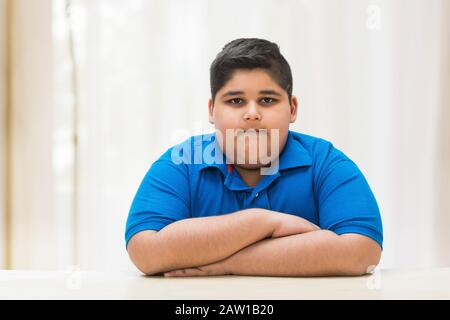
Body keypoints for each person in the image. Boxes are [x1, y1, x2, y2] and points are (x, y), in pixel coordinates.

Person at [125, 38, 382, 277]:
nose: (251, 113)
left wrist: (227, 264)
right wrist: (264, 222)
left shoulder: (326, 162)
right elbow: (145, 252)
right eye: (236, 101)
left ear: (292, 109)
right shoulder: (180, 162)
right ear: (212, 110)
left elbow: (362, 252)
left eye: (267, 100)